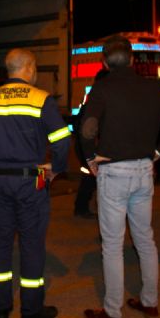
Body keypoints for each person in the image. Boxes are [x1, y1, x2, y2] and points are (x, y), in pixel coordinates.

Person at [0, 48, 71, 318]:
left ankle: (2, 307)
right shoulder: (41, 99)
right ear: (29, 68)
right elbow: (62, 139)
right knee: (32, 243)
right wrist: (56, 168)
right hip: (35, 176)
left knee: (1, 241)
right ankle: (31, 309)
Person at [79, 35, 160, 318]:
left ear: (104, 62)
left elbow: (87, 128)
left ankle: (113, 311)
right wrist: (157, 153)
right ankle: (149, 302)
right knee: (145, 239)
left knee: (112, 245)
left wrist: (90, 159)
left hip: (114, 173)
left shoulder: (102, 89)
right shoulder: (153, 89)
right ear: (133, 59)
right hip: (143, 172)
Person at [73, 69, 109, 219]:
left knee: (91, 178)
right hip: (87, 147)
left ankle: (82, 207)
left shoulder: (93, 98)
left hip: (86, 146)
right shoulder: (96, 100)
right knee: (89, 178)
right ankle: (81, 208)